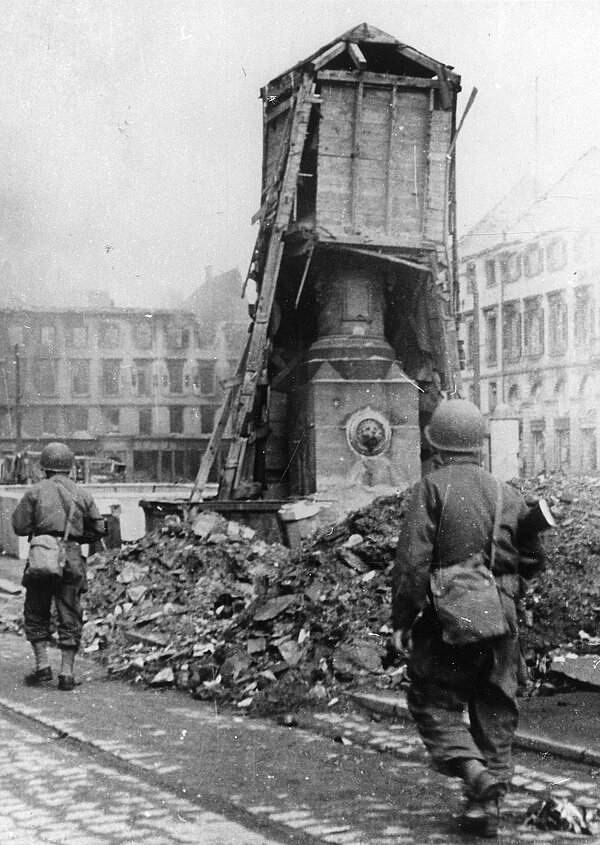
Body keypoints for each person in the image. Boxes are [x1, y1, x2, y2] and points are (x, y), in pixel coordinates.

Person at [391, 400, 545, 837]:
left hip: (450, 620)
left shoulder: (431, 488)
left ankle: (475, 773)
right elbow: (533, 559)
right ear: (480, 446)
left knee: (432, 699)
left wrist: (403, 618)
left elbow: (413, 564)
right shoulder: (507, 493)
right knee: (495, 708)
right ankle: (485, 810)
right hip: (504, 619)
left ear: (435, 447)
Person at [12, 442, 106, 691]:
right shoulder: (82, 493)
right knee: (70, 613)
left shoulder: (35, 491)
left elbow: (19, 527)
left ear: (44, 468)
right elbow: (99, 529)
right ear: (70, 468)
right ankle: (67, 673)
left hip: (43, 555)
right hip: (72, 557)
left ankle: (43, 666)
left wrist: (43, 532)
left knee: (35, 610)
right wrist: (73, 540)